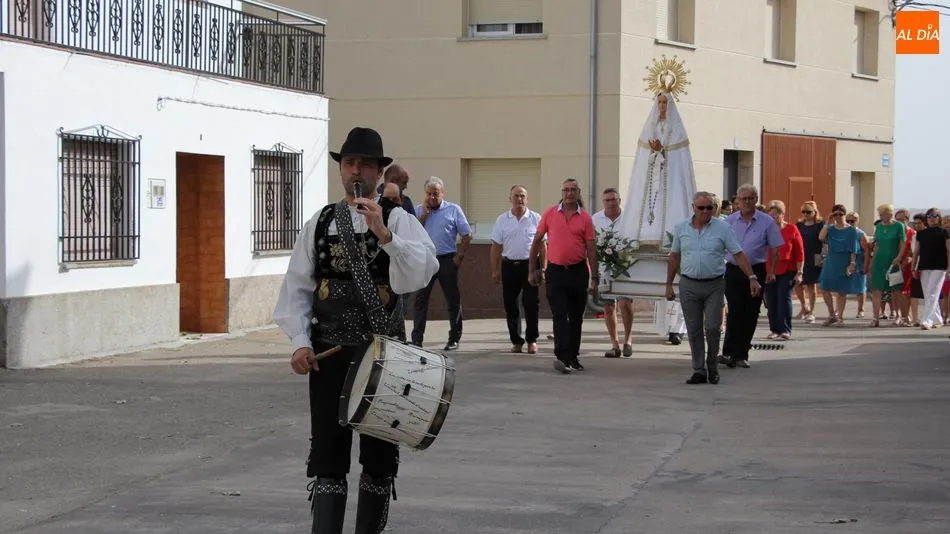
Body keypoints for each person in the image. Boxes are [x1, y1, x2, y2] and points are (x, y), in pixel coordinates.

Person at [273, 127, 439, 534]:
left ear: (381, 171)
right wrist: (299, 343)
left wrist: (384, 234)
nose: (356, 171)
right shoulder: (321, 221)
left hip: (385, 359)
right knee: (328, 458)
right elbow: (297, 286)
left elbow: (422, 271)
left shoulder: (398, 219)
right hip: (328, 356)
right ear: (342, 170)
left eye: (365, 163)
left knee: (379, 460)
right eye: (349, 163)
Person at [666, 191, 758, 385]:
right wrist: (668, 285)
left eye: (710, 207)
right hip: (689, 284)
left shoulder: (722, 228)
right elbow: (674, 256)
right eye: (702, 208)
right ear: (693, 208)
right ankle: (698, 370)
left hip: (714, 284)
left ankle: (712, 365)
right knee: (694, 329)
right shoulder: (681, 228)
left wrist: (752, 277)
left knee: (713, 327)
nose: (706, 211)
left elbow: (738, 254)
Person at [528, 178, 598, 374]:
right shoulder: (550, 213)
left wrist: (595, 277)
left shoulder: (585, 218)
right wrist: (532, 269)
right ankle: (561, 356)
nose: (569, 193)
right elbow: (537, 242)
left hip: (578, 272)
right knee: (560, 314)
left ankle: (573, 357)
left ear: (578, 193)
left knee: (576, 317)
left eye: (573, 190)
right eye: (566, 190)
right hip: (556, 271)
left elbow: (591, 249)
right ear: (562, 192)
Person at [615, 92, 697, 251]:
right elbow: (642, 160)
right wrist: (654, 153)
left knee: (671, 203)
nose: (661, 106)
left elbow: (679, 162)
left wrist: (662, 152)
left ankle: (669, 239)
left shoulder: (677, 129)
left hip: (671, 181)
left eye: (665, 102)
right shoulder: (649, 128)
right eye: (659, 102)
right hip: (651, 180)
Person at [721, 184, 784, 368]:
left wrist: (772, 271)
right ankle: (728, 352)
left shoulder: (766, 221)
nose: (747, 202)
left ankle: (741, 354)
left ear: (756, 200)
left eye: (751, 198)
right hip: (733, 270)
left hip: (757, 270)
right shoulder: (729, 221)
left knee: (751, 312)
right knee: (734, 309)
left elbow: (775, 248)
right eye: (743, 199)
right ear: (738, 201)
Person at [412, 176, 473, 350]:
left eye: (435, 194)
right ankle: (417, 339)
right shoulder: (418, 211)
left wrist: (459, 257)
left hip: (447, 259)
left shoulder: (453, 210)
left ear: (442, 193)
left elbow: (467, 235)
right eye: (429, 194)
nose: (432, 197)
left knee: (452, 300)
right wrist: (423, 216)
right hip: (426, 260)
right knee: (420, 300)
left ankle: (454, 338)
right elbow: (412, 235)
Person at [490, 185, 544, 354]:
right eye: (516, 196)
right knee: (511, 304)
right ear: (510, 198)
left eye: (522, 196)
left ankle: (531, 340)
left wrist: (543, 268)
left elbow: (543, 246)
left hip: (530, 265)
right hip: (509, 266)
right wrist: (495, 270)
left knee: (530, 304)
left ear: (527, 199)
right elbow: (496, 246)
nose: (519, 199)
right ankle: (516, 341)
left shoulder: (536, 218)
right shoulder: (502, 220)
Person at [592, 187, 635, 357]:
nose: (610, 203)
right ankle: (614, 343)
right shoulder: (596, 219)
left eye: (613, 199)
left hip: (625, 267)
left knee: (625, 303)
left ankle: (628, 339)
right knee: (609, 306)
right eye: (607, 200)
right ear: (603, 202)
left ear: (619, 201)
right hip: (604, 268)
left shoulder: (629, 218)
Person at [764, 200, 804, 339]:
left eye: (776, 214)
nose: (773, 218)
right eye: (770, 215)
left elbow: (799, 252)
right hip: (769, 269)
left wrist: (799, 272)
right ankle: (774, 329)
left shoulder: (791, 229)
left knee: (784, 298)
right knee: (771, 300)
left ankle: (785, 329)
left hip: (788, 269)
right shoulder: (766, 230)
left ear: (782, 214)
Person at [817, 204, 859, 327]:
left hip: (844, 260)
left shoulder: (851, 230)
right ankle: (831, 314)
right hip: (831, 260)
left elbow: (854, 248)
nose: (838, 217)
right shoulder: (830, 228)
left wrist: (852, 263)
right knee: (825, 287)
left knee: (842, 291)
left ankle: (840, 316)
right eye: (836, 214)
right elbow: (821, 237)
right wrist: (827, 221)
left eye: (841, 214)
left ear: (845, 215)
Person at [911, 208, 950, 329]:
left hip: (939, 267)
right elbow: (916, 252)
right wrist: (913, 268)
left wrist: (949, 268)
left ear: (938, 218)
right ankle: (938, 319)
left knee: (932, 293)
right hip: (924, 266)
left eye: (934, 216)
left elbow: (949, 251)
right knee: (928, 294)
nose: (931, 219)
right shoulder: (921, 233)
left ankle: (926, 320)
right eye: (929, 216)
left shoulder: (944, 232)